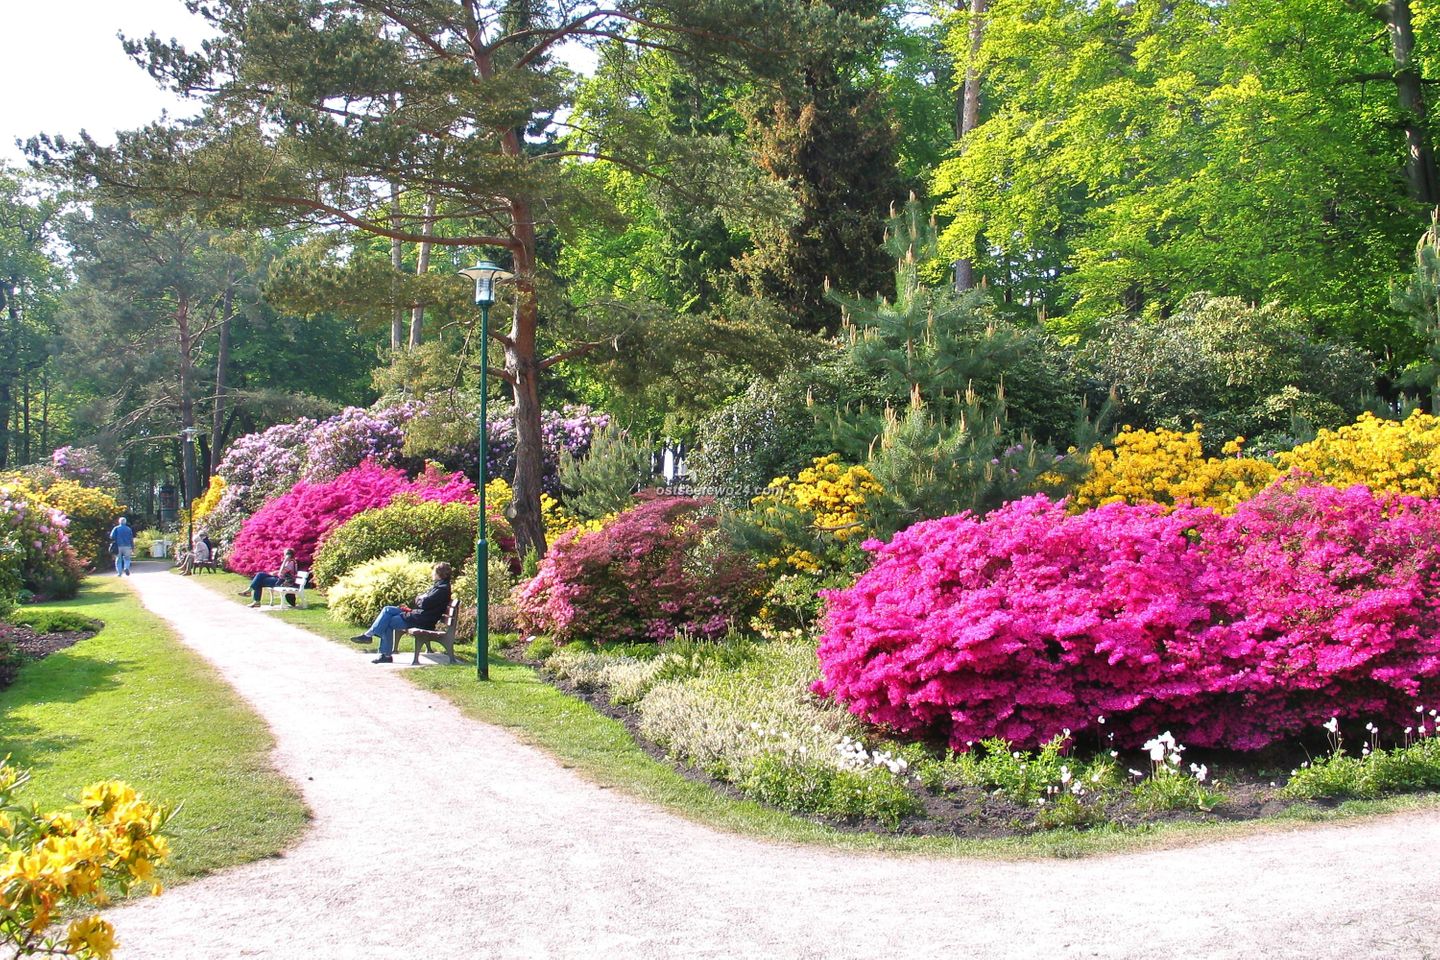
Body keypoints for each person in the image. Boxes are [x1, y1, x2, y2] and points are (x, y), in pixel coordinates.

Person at [350, 562, 453, 664]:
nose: (432, 573)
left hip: (422, 620)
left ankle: (383, 652)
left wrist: (421, 599)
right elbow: (419, 600)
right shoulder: (439, 586)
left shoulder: (442, 589)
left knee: (388, 621)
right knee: (387, 609)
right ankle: (370, 637)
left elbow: (424, 603)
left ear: (440, 573)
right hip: (418, 615)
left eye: (434, 571)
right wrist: (420, 598)